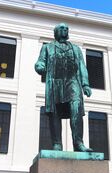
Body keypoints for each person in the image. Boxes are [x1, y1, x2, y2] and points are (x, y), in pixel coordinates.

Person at [35, 23, 93, 152]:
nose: (65, 30)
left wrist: (85, 84)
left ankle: (78, 143)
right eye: (62, 28)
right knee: (54, 113)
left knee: (76, 110)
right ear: (55, 32)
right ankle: (57, 144)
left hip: (73, 82)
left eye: (66, 28)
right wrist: (39, 66)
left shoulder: (76, 49)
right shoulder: (47, 47)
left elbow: (82, 66)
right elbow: (40, 61)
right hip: (55, 83)